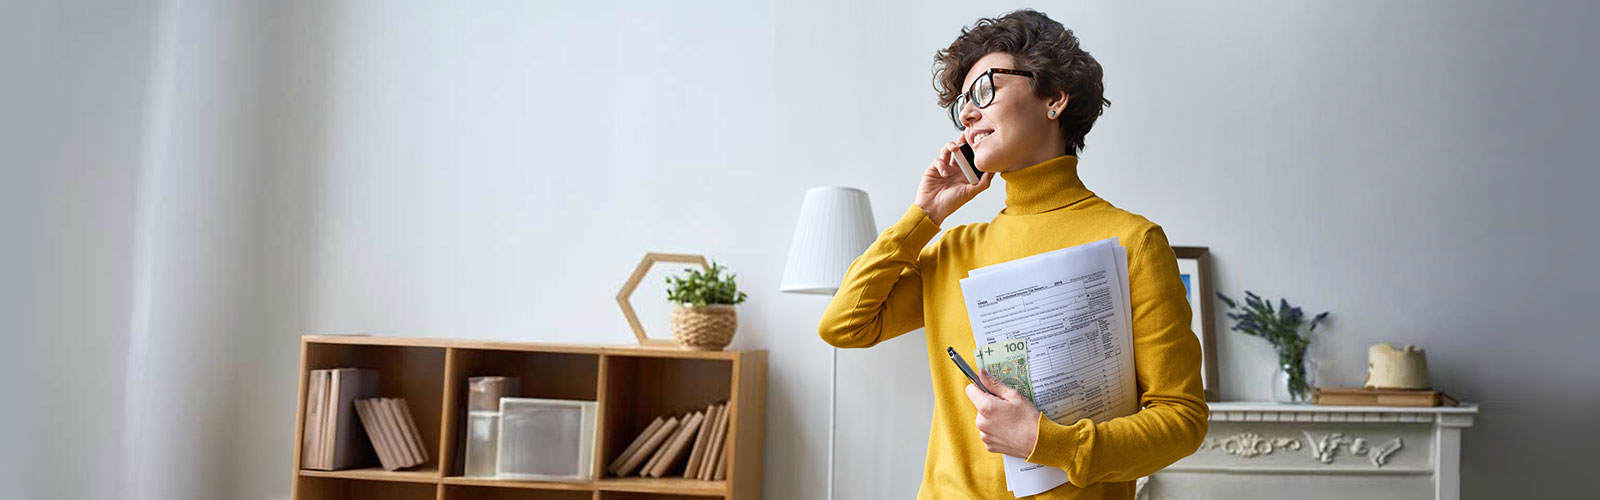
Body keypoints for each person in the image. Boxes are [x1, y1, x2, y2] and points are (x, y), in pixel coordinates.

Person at [816, 9, 1208, 499]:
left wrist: (1053, 444)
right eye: (961, 103)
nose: (967, 114)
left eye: (985, 90)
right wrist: (924, 216)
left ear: (1055, 98)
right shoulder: (954, 249)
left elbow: (1183, 418)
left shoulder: (1133, 241)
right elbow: (843, 325)